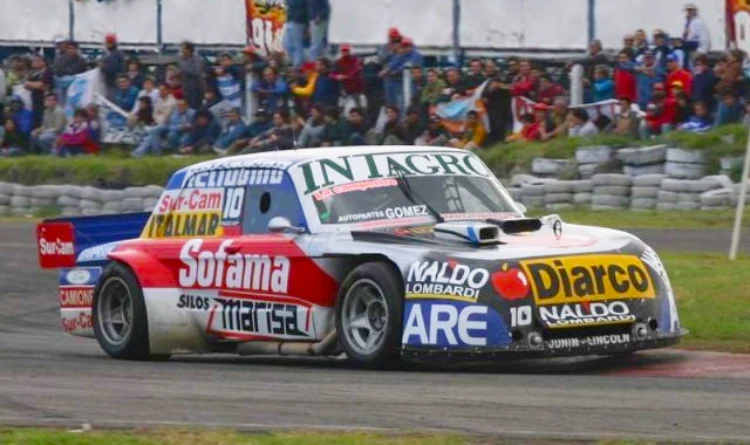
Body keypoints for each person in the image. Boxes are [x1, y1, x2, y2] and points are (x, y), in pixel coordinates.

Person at [24, 54, 53, 130]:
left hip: (44, 100)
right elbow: (26, 85)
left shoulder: (47, 72)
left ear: (43, 62)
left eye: (37, 60)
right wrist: (32, 84)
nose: (34, 62)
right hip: (35, 100)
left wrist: (31, 84)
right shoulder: (33, 73)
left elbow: (42, 85)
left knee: (42, 120)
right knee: (35, 120)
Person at [179, 41, 205, 110]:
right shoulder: (182, 59)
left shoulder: (197, 59)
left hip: (195, 89)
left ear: (188, 50)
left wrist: (183, 68)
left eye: (183, 48)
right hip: (186, 89)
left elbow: (196, 72)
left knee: (194, 108)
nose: (181, 50)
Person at [284, 0, 308, 67]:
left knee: (297, 45)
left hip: (298, 21)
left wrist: (307, 25)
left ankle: (298, 65)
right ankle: (296, 62)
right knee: (286, 44)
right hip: (290, 20)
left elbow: (305, 8)